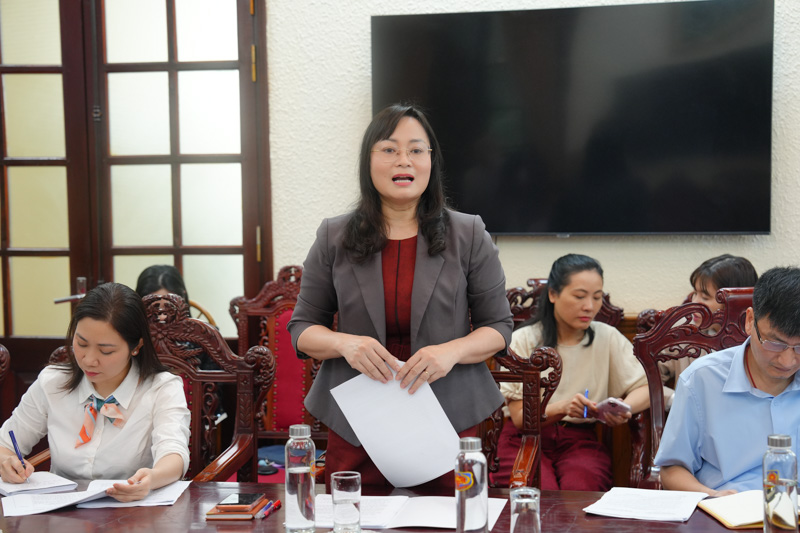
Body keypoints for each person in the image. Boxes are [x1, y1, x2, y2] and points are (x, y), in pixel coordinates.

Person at [287, 103, 513, 489]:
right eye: (389, 149)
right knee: (354, 516)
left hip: (448, 413)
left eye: (416, 149)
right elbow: (302, 329)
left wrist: (451, 352)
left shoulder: (469, 233)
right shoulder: (333, 236)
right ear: (368, 161)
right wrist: (346, 344)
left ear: (431, 161)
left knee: (447, 517)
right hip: (359, 417)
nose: (403, 160)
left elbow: (499, 327)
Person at [0, 283, 190, 502]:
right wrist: (7, 462)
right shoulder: (52, 382)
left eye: (106, 350)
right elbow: (5, 444)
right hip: (61, 510)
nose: (89, 360)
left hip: (131, 509)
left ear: (136, 346)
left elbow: (173, 452)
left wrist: (152, 479)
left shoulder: (161, 388)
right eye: (81, 344)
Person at [496, 254, 649, 491]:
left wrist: (623, 408)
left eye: (596, 297)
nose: (589, 306)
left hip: (581, 440)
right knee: (540, 493)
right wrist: (562, 407)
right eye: (579, 296)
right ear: (553, 294)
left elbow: (646, 388)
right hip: (524, 439)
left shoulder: (607, 337)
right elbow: (518, 417)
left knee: (581, 488)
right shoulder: (523, 340)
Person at [655, 266, 800, 496]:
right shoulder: (702, 380)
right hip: (726, 507)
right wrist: (712, 497)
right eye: (775, 343)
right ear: (750, 321)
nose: (788, 360)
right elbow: (672, 468)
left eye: (799, 347)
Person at [660, 255, 758, 408]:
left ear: (735, 302)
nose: (694, 303)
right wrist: (676, 399)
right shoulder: (683, 329)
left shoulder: (762, 336)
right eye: (695, 293)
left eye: (705, 297)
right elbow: (645, 380)